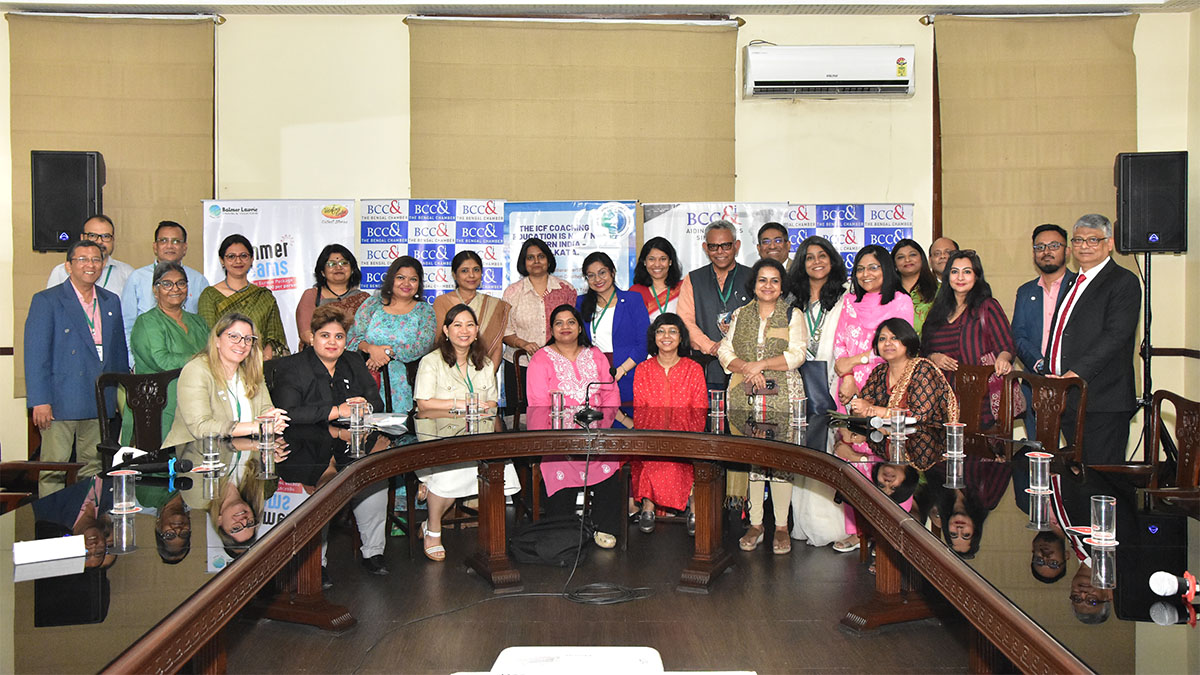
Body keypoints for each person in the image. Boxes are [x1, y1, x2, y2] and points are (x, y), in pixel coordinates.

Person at [413, 303, 519, 561]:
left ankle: (492, 538)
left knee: (499, 470)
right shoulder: (431, 361)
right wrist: (461, 405)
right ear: (446, 330)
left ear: (476, 330)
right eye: (457, 325)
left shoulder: (483, 363)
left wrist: (478, 412)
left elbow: (492, 403)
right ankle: (433, 529)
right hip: (439, 435)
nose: (464, 330)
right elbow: (424, 403)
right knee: (452, 471)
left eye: (469, 325)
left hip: (478, 434)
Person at [25, 239, 129, 495]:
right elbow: (36, 354)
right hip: (59, 400)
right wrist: (40, 400)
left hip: (98, 399)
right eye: (82, 259)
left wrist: (119, 395)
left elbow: (118, 353)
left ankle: (87, 526)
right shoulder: (47, 300)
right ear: (68, 265)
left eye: (95, 260)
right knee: (54, 468)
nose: (90, 265)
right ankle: (51, 526)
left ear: (103, 265)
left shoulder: (110, 301)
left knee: (93, 467)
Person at [717, 258, 806, 555]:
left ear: (782, 286)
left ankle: (781, 526)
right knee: (754, 458)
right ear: (753, 285)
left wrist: (762, 365)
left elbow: (797, 355)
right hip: (747, 395)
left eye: (774, 280)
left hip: (784, 397)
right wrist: (746, 368)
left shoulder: (793, 314)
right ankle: (756, 523)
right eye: (762, 280)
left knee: (781, 459)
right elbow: (725, 350)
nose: (768, 286)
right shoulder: (740, 314)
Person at [1042, 214, 1140, 465]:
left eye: (1093, 240)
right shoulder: (1074, 281)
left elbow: (1116, 336)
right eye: (1078, 240)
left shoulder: (1123, 281)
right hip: (1069, 397)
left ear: (1109, 243)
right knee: (1076, 476)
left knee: (1101, 478)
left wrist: (1074, 373)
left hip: (1103, 400)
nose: (1084, 246)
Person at [525, 304, 623, 548]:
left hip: (596, 432)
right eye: (559, 323)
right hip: (558, 434)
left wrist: (602, 424)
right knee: (558, 462)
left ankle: (604, 526)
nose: (565, 327)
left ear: (580, 327)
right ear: (552, 329)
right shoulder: (541, 359)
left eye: (571, 322)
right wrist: (556, 435)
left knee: (610, 460)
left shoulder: (596, 355)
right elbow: (537, 404)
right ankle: (564, 530)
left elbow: (611, 396)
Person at [921, 249, 1018, 430]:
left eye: (967, 271)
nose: (960, 277)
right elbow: (924, 350)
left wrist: (1004, 358)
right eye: (954, 271)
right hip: (942, 400)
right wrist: (934, 357)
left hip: (981, 399)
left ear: (976, 276)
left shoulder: (987, 307)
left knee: (978, 454)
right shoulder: (937, 311)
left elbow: (1006, 345)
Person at [162, 312, 289, 447]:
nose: (242, 344)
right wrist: (256, 427)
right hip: (192, 456)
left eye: (248, 339)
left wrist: (274, 421)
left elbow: (265, 410)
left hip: (240, 451)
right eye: (234, 336)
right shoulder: (196, 370)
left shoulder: (252, 371)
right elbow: (201, 428)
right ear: (217, 340)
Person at [846, 319, 959, 470]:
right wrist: (860, 410)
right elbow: (863, 406)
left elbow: (919, 416)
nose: (887, 343)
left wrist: (876, 411)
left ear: (908, 341)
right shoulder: (879, 372)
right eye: (882, 339)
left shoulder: (922, 369)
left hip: (927, 444)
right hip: (892, 439)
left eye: (895, 338)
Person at [630, 313, 707, 534]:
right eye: (661, 331)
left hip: (686, 436)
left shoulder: (693, 369)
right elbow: (641, 411)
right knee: (651, 456)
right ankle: (648, 505)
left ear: (681, 337)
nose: (666, 336)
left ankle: (693, 505)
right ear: (654, 337)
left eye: (672, 331)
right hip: (651, 435)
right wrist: (650, 440)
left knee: (682, 459)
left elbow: (699, 410)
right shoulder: (643, 369)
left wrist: (688, 440)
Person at [123, 261, 210, 444]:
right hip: (158, 405)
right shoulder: (147, 322)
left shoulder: (198, 322)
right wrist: (200, 359)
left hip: (199, 399)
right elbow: (161, 361)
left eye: (181, 283)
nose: (175, 289)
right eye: (167, 284)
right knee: (164, 465)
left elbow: (214, 354)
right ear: (156, 291)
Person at [348, 255, 437, 414]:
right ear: (391, 279)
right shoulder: (372, 304)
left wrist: (385, 352)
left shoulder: (425, 311)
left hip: (406, 384)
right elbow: (352, 338)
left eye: (413, 279)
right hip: (367, 380)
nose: (406, 284)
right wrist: (371, 349)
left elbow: (423, 346)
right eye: (401, 277)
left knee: (402, 431)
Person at [831, 245, 915, 413]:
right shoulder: (850, 301)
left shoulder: (901, 301)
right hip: (849, 386)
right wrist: (848, 378)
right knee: (850, 435)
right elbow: (839, 343)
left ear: (886, 269)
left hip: (885, 383)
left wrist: (854, 361)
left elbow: (897, 347)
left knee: (880, 436)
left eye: (873, 268)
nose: (865, 274)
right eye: (860, 269)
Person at [269, 304, 383, 425]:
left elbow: (377, 403)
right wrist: (338, 411)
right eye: (325, 335)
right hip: (305, 438)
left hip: (350, 436)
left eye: (339, 337)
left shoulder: (354, 360)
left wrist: (363, 407)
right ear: (312, 339)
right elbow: (287, 413)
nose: (332, 342)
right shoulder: (291, 366)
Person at [1011, 224, 1076, 433]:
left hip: (1072, 381)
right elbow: (1018, 335)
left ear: (1067, 251)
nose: (1046, 252)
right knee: (1038, 451)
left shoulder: (1080, 287)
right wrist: (1040, 364)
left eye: (1054, 245)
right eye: (1040, 247)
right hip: (1034, 381)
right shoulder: (1025, 291)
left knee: (1075, 455)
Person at [785, 235, 848, 451]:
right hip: (798, 380)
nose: (817, 262)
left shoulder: (846, 296)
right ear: (802, 265)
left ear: (832, 260)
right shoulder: (792, 301)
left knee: (831, 450)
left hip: (836, 378)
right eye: (809, 258)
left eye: (822, 256)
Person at [501, 237, 577, 405]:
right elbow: (504, 332)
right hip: (519, 366)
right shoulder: (512, 292)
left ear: (548, 260)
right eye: (530, 257)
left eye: (541, 256)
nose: (536, 261)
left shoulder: (566, 290)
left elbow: (574, 329)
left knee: (558, 416)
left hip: (558, 366)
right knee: (522, 421)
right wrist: (523, 343)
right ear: (524, 262)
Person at [678, 220, 753, 390]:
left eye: (726, 245)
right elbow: (685, 321)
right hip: (704, 368)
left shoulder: (753, 277)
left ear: (737, 245)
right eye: (713, 246)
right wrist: (712, 347)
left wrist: (729, 348)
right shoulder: (693, 279)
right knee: (706, 416)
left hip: (745, 368)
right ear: (705, 247)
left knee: (742, 416)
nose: (720, 252)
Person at [197, 234, 290, 360]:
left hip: (259, 365)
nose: (238, 261)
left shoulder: (264, 296)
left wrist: (260, 362)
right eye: (231, 256)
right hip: (222, 367)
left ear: (252, 259)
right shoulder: (210, 295)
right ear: (222, 260)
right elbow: (209, 336)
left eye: (244, 256)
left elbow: (275, 338)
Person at [120, 221, 210, 349]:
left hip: (188, 356)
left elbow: (204, 326)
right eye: (163, 241)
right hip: (148, 357)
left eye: (175, 241)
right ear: (155, 247)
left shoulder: (199, 280)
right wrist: (134, 362)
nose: (169, 246)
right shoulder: (137, 278)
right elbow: (126, 325)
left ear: (184, 248)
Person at [576, 251, 650, 404]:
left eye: (602, 272)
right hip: (592, 376)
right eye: (591, 275)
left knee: (626, 423)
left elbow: (644, 343)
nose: (597, 279)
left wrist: (621, 370)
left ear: (613, 272)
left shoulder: (632, 300)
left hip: (627, 373)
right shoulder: (581, 303)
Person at [432, 250, 510, 374]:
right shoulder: (442, 302)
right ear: (454, 275)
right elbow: (439, 342)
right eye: (464, 271)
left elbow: (497, 346)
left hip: (484, 373)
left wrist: (488, 376)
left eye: (476, 270)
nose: (472, 275)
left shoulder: (495, 305)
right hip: (448, 372)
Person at [295, 244, 370, 351]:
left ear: (352, 269)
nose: (338, 267)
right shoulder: (311, 295)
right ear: (322, 272)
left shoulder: (365, 299)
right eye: (331, 264)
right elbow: (305, 334)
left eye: (344, 263)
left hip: (357, 358)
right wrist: (331, 347)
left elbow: (372, 334)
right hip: (320, 357)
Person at [46, 214, 134, 296]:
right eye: (92, 235)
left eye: (106, 236)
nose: (99, 241)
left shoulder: (127, 273)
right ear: (82, 238)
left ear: (113, 240)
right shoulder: (61, 272)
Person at [629, 236, 683, 321]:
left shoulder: (683, 289)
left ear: (670, 262)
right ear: (644, 262)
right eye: (651, 259)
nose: (657, 264)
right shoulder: (635, 292)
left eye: (663, 259)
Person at [891, 238, 938, 333]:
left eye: (912, 255)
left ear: (922, 258)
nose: (907, 260)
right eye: (900, 257)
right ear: (894, 264)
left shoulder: (940, 290)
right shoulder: (887, 293)